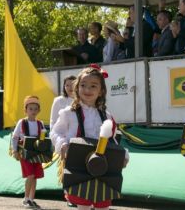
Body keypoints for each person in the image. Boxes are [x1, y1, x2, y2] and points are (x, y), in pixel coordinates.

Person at [50, 64, 129, 210]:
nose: (87, 90)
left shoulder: (107, 115)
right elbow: (55, 132)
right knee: (83, 205)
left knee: (102, 205)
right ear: (77, 88)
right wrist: (62, 144)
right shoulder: (68, 113)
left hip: (102, 165)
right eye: (83, 85)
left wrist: (123, 155)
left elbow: (113, 140)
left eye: (93, 86)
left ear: (101, 91)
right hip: (79, 165)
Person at [11, 96, 46, 208]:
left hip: (36, 153)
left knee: (35, 176)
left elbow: (43, 139)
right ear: (25, 110)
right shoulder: (22, 122)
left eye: (35, 109)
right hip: (25, 153)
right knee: (30, 175)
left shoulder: (40, 123)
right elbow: (15, 137)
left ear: (39, 110)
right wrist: (15, 150)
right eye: (30, 109)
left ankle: (31, 199)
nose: (33, 111)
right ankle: (26, 199)